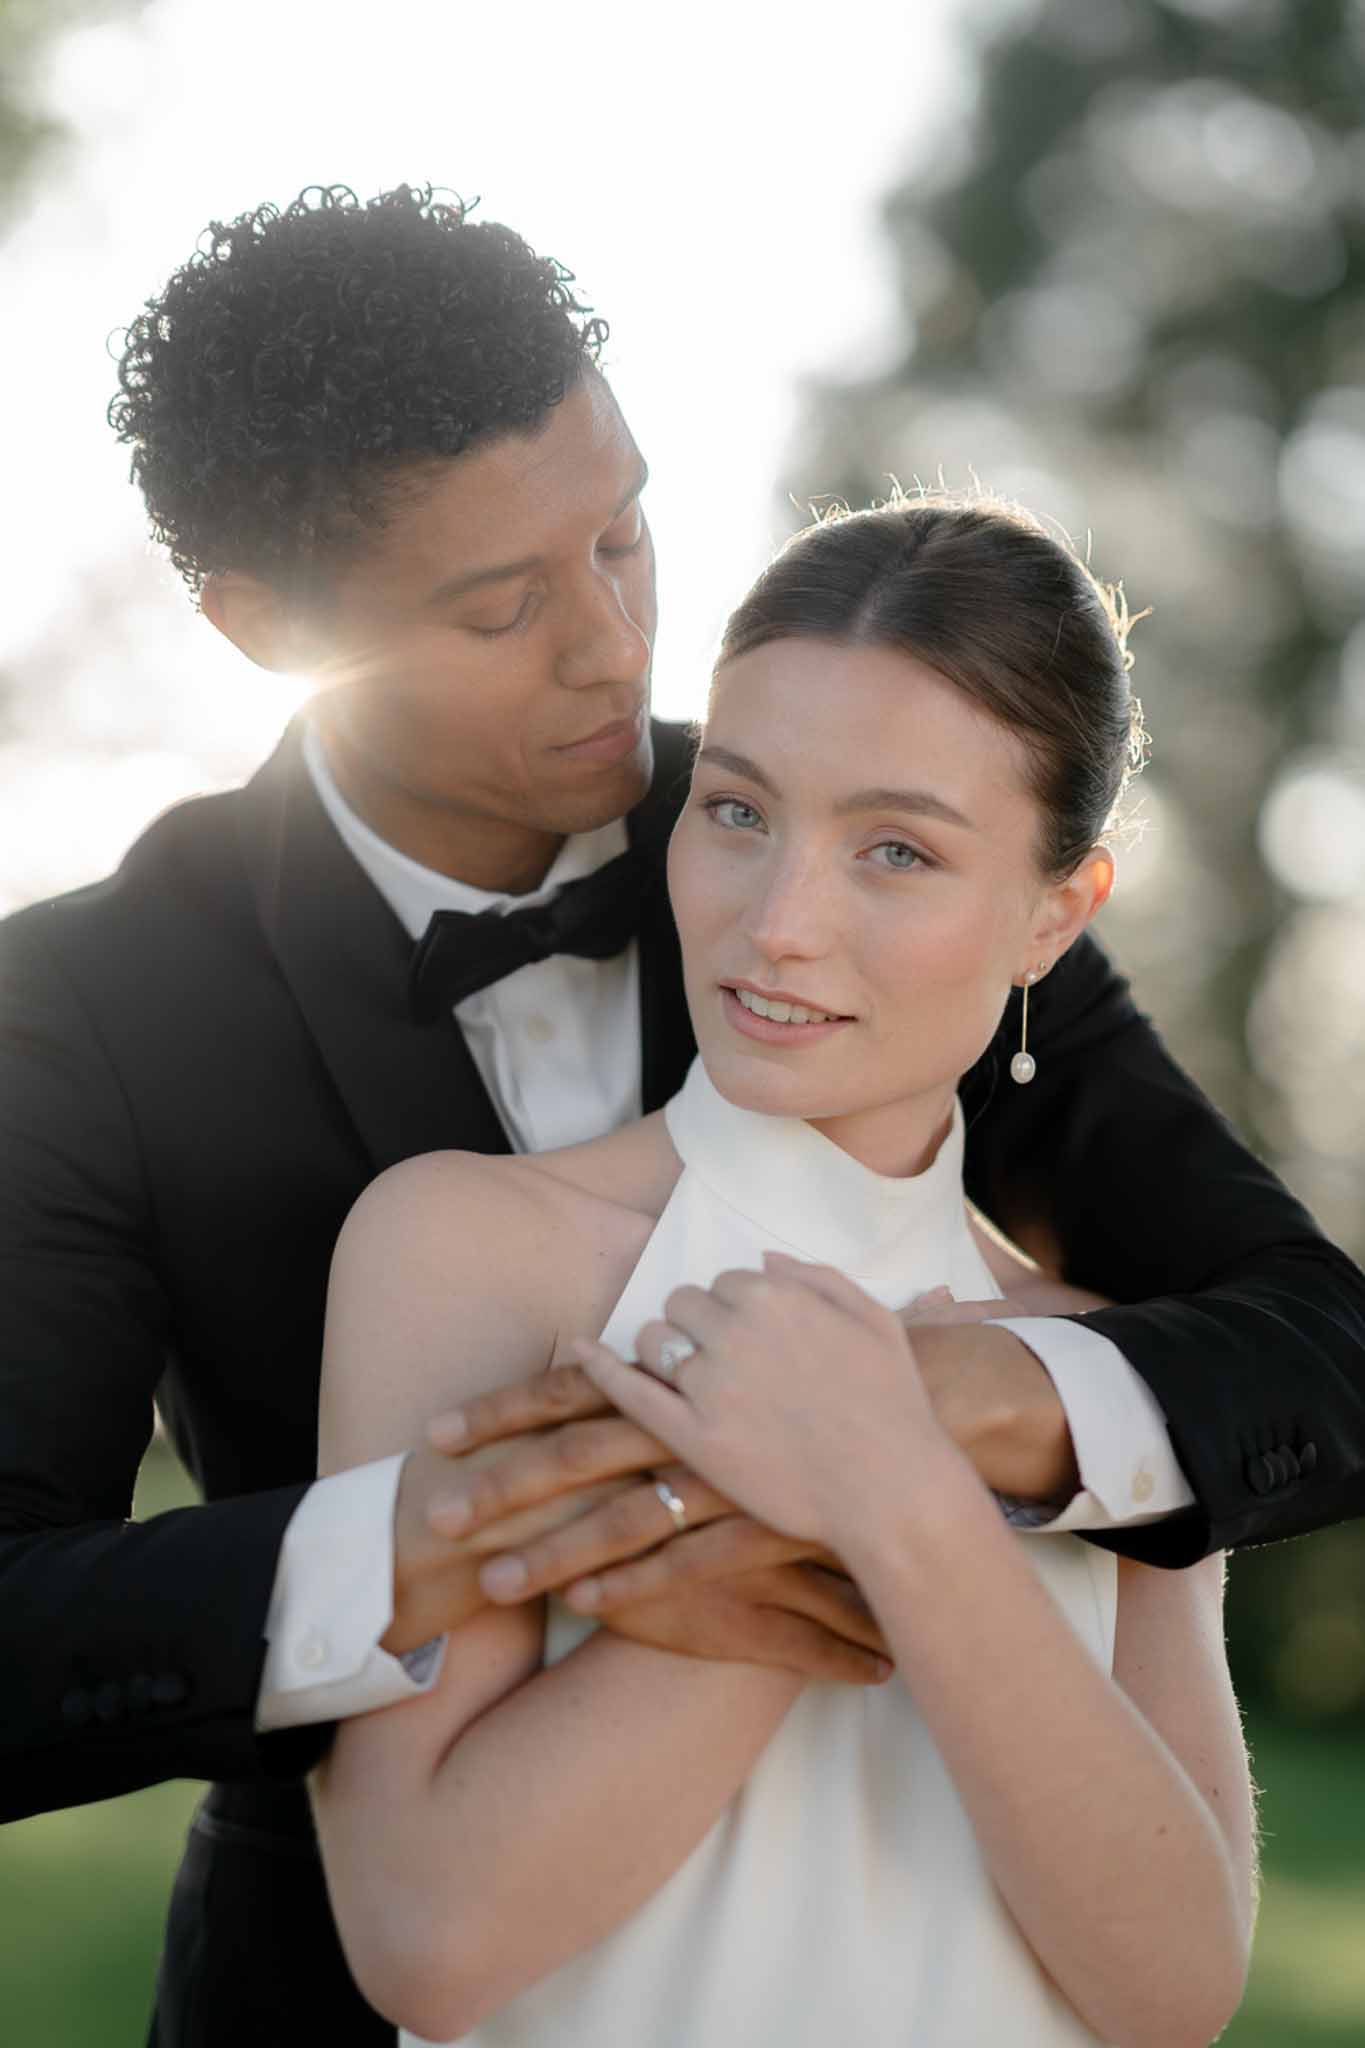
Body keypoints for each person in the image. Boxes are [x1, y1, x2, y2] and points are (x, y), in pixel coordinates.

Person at [0, 183, 1356, 2046]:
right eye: (498, 602)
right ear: (263, 625)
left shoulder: (866, 821)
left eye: (625, 536)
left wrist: (971, 1420)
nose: (610, 642)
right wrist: (427, 1540)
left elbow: (1308, 1348)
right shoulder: (88, 1009)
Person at [312, 494, 1256, 2046]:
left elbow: (1172, 1991)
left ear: (1052, 916)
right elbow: (429, 1939)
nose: (777, 925)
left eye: (895, 849)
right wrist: (808, 1497)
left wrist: (892, 1490)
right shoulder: (472, 1251)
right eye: (739, 811)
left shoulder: (1106, 1374)